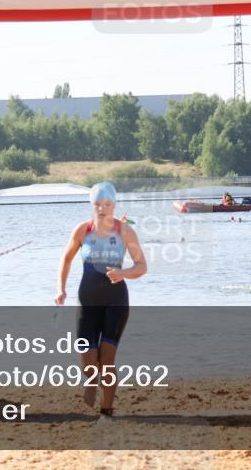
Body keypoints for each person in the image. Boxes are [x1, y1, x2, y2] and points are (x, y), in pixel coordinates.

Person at [55, 181, 147, 423]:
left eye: (107, 204)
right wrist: (61, 290)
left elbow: (142, 266)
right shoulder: (82, 231)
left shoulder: (125, 231)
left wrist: (123, 273)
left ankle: (106, 410)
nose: (103, 209)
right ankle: (90, 380)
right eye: (98, 204)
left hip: (115, 302)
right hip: (87, 303)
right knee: (88, 362)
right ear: (92, 206)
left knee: (106, 361)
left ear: (114, 206)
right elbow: (65, 260)